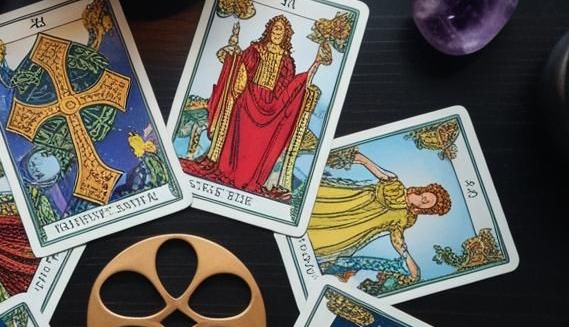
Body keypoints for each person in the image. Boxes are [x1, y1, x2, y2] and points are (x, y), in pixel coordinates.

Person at [185, 15, 330, 196]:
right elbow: (241, 70)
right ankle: (229, 172)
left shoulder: (287, 61)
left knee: (257, 147)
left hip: (269, 108)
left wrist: (315, 64)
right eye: (275, 28)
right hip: (247, 101)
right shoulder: (255, 49)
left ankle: (247, 179)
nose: (277, 33)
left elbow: (289, 87)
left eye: (281, 30)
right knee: (238, 142)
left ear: (286, 35)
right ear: (269, 30)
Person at [308, 151, 451, 284]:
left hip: (355, 228)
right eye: (426, 197)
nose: (424, 201)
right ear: (423, 191)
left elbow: (397, 238)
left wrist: (408, 259)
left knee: (321, 240)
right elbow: (369, 164)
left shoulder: (408, 218)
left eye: (428, 204)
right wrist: (354, 157)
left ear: (426, 210)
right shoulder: (395, 183)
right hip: (348, 202)